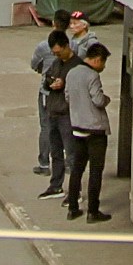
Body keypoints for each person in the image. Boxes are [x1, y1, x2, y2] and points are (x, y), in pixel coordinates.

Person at [59, 38, 114, 221]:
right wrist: (106, 99)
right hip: (95, 130)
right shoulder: (93, 76)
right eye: (103, 62)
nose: (103, 67)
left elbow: (67, 97)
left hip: (77, 127)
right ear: (97, 59)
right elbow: (98, 100)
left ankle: (73, 208)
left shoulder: (72, 73)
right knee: (96, 171)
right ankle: (92, 211)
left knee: (77, 169)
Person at [32, 25, 76, 194]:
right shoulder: (57, 63)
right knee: (56, 152)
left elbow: (78, 89)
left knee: (70, 153)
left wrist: (64, 84)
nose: (56, 56)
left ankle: (74, 191)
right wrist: (50, 83)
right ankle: (55, 185)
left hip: (66, 114)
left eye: (58, 52)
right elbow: (46, 80)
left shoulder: (75, 65)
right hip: (53, 111)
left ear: (66, 47)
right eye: (54, 53)